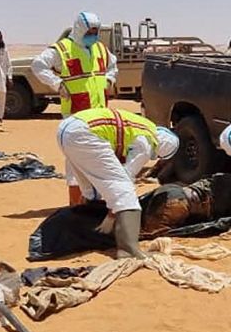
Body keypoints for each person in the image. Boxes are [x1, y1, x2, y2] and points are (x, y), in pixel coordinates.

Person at [57, 107, 179, 259]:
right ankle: (128, 250)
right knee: (125, 192)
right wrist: (111, 215)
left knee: (90, 189)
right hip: (86, 133)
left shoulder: (144, 127)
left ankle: (87, 229)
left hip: (67, 129)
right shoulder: (148, 141)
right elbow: (125, 177)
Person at [32, 11, 118, 205]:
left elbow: (113, 66)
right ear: (80, 29)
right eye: (90, 31)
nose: (93, 35)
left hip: (100, 116)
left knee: (99, 161)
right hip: (76, 117)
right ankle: (76, 206)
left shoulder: (100, 49)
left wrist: (109, 79)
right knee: (75, 164)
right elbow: (38, 65)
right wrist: (57, 84)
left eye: (95, 32)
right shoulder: (62, 49)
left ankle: (95, 203)